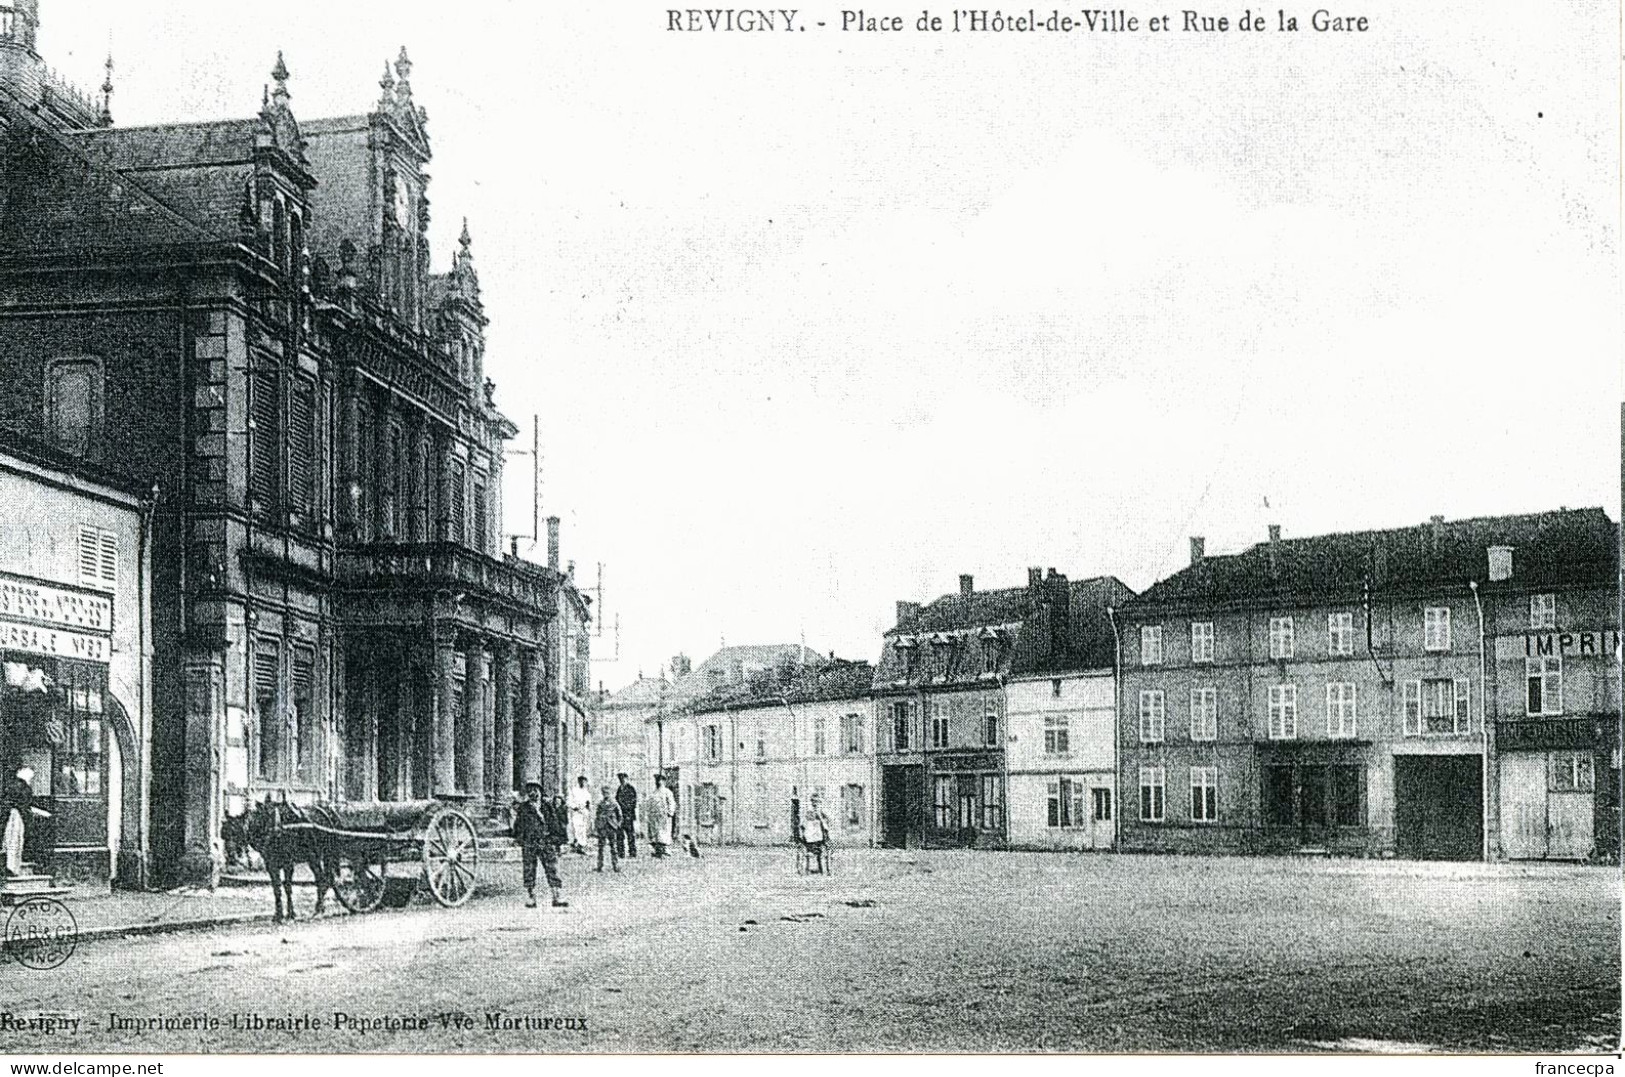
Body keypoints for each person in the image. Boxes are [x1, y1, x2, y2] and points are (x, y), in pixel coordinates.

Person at [511, 780, 567, 909]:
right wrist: (520, 839)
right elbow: (518, 825)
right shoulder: (524, 808)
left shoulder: (547, 807)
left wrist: (555, 839)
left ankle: (556, 896)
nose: (533, 793)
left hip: (546, 841)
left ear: (540, 792)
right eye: (530, 790)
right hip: (530, 843)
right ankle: (531, 897)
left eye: (535, 790)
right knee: (529, 870)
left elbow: (554, 823)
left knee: (552, 868)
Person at [2, 767, 49, 878]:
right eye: (30, 777)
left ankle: (11, 866)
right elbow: (24, 805)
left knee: (12, 841)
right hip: (16, 817)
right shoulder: (22, 787)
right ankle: (12, 868)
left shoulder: (14, 785)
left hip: (12, 815)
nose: (31, 779)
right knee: (15, 841)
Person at [592, 785, 622, 873]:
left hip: (611, 827)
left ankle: (616, 865)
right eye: (604, 793)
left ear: (610, 793)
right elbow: (597, 816)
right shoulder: (600, 804)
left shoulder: (614, 803)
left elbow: (620, 815)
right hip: (602, 827)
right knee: (601, 847)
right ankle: (599, 866)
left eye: (607, 793)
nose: (606, 795)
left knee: (613, 847)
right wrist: (597, 826)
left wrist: (617, 825)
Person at [800, 793, 830, 874]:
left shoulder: (821, 812)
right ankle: (805, 870)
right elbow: (803, 824)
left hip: (819, 837)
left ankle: (824, 870)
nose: (815, 803)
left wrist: (821, 818)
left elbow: (826, 824)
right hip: (810, 837)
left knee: (822, 854)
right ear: (811, 802)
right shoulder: (808, 812)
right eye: (813, 801)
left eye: (816, 801)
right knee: (807, 854)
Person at [649, 772, 676, 859]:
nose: (658, 782)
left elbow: (671, 803)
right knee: (656, 833)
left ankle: (665, 850)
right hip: (655, 817)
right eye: (657, 780)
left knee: (664, 833)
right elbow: (650, 804)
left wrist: (669, 813)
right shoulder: (654, 793)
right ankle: (658, 850)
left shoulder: (667, 792)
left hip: (664, 817)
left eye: (659, 780)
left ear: (663, 781)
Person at [614, 773, 638, 859]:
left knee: (630, 834)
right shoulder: (619, 789)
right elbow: (616, 801)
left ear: (627, 779)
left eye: (623, 778)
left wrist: (624, 808)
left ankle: (632, 852)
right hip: (620, 816)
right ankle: (621, 853)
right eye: (620, 779)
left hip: (628, 815)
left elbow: (633, 802)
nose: (622, 780)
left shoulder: (631, 789)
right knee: (619, 835)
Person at [566, 775, 592, 854]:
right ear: (578, 781)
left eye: (584, 782)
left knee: (583, 830)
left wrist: (588, 806)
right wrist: (574, 807)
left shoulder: (587, 793)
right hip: (576, 812)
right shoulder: (574, 791)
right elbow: (569, 801)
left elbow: (589, 804)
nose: (583, 783)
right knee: (576, 828)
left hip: (584, 813)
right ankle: (576, 845)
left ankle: (581, 846)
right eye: (581, 781)